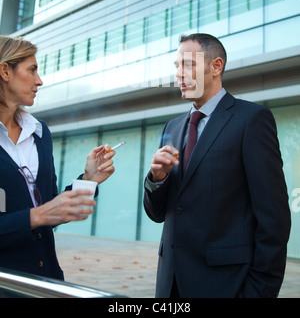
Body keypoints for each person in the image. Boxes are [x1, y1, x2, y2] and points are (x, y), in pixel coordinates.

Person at [144, 33, 291, 298]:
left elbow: (274, 221)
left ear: (216, 66)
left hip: (225, 285)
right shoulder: (173, 126)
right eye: (176, 66)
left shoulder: (252, 120)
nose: (179, 74)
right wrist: (157, 178)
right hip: (169, 285)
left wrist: (258, 293)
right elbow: (158, 213)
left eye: (188, 64)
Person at [0, 35, 116, 280]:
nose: (39, 81)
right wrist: (38, 215)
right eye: (32, 70)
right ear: (5, 71)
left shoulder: (39, 133)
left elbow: (50, 209)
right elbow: (42, 214)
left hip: (47, 282)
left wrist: (88, 179)